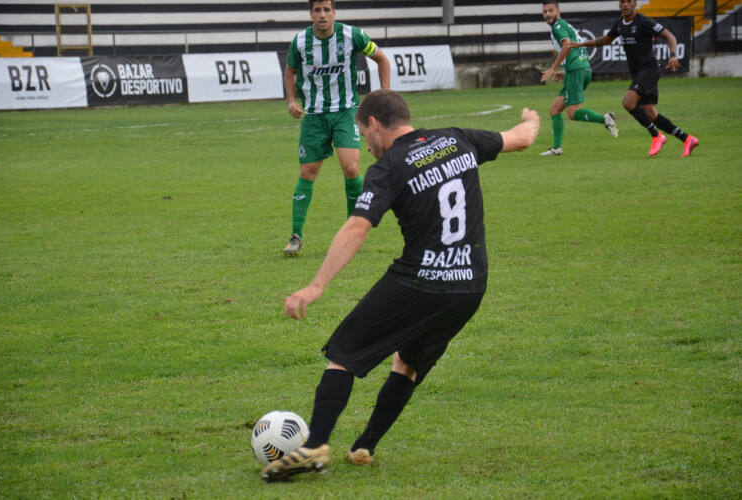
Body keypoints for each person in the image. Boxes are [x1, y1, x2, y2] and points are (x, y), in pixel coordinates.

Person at [261, 89, 540, 482]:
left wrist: (316, 285)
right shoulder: (458, 138)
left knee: (343, 352)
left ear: (374, 124)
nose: (365, 144)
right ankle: (364, 446)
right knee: (407, 362)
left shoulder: (390, 165)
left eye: (362, 133)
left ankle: (314, 446)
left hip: (420, 278)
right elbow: (522, 138)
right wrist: (532, 120)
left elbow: (358, 226)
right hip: (470, 284)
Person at [282, 0, 391, 256]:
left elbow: (382, 60)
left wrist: (385, 96)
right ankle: (296, 236)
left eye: (327, 10)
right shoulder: (299, 42)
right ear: (311, 13)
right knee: (307, 172)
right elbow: (290, 72)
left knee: (351, 168)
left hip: (346, 112)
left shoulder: (352, 35)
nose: (322, 15)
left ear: (334, 13)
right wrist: (290, 100)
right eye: (317, 10)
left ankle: (352, 233)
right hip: (314, 116)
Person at [570, 0, 699, 157]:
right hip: (639, 73)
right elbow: (603, 40)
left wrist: (673, 55)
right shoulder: (619, 24)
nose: (625, 4)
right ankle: (687, 139)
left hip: (650, 69)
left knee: (628, 102)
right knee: (651, 114)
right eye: (622, 2)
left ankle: (656, 136)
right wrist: (581, 44)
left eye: (629, 1)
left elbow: (669, 36)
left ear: (635, 4)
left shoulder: (644, 21)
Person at [539, 0, 618, 156]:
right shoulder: (565, 25)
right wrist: (565, 71)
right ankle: (556, 148)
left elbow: (567, 46)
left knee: (573, 112)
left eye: (551, 11)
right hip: (581, 68)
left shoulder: (558, 27)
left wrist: (553, 68)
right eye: (545, 12)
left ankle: (605, 119)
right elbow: (573, 48)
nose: (547, 14)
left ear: (558, 12)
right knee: (555, 109)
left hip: (576, 70)